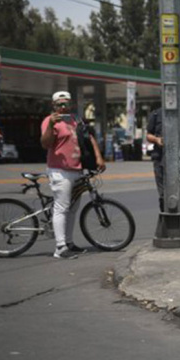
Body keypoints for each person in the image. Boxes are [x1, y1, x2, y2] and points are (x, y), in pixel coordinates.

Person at [40, 91, 106, 260]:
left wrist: (98, 157)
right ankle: (60, 247)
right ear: (53, 106)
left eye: (65, 104)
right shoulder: (50, 121)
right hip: (60, 170)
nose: (63, 107)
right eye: (59, 104)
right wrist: (50, 127)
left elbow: (89, 137)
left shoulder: (75, 119)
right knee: (61, 207)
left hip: (77, 170)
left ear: (70, 105)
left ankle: (69, 243)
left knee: (72, 208)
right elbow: (45, 144)